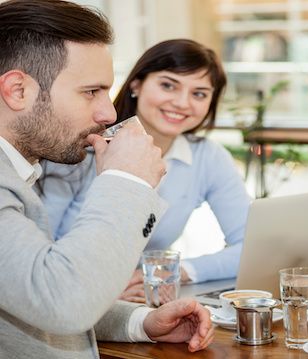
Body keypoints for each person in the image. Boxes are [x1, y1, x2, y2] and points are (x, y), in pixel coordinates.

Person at [0, 1, 213, 357]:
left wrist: (139, 322)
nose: (108, 112)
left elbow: (26, 299)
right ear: (18, 90)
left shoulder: (20, 174)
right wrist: (127, 181)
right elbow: (63, 301)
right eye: (90, 91)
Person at [39, 39, 251, 301]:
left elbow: (251, 246)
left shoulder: (207, 156)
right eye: (168, 85)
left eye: (199, 93)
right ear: (136, 85)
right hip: (67, 297)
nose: (183, 103)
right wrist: (107, 284)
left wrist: (175, 272)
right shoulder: (82, 147)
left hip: (143, 302)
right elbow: (39, 251)